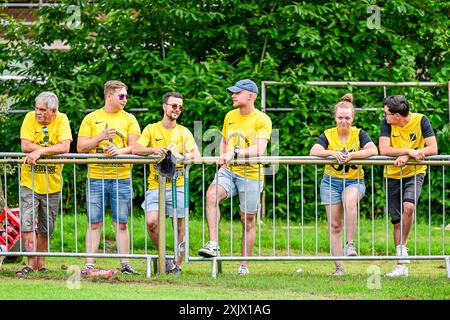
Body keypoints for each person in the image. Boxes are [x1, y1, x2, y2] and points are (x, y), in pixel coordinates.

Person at [198, 79, 272, 275]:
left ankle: (244, 265)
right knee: (211, 195)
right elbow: (224, 140)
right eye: (232, 92)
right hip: (229, 171)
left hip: (252, 174)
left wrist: (235, 153)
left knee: (247, 220)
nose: (232, 95)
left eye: (237, 93)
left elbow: (260, 149)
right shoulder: (230, 115)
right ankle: (213, 244)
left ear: (251, 96)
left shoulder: (262, 119)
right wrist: (223, 157)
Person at [310, 93, 378, 276]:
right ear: (335, 118)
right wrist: (332, 153)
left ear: (353, 118)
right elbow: (314, 151)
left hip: (354, 181)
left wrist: (352, 155)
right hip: (330, 182)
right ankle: (339, 267)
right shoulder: (328, 134)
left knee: (350, 201)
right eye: (340, 118)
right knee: (334, 225)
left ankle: (350, 244)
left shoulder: (359, 133)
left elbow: (373, 150)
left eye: (347, 118)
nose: (344, 121)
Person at [132, 92, 200, 275]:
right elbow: (136, 149)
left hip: (177, 185)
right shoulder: (151, 129)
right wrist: (156, 150)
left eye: (180, 107)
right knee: (151, 222)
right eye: (173, 106)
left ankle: (177, 265)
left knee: (179, 227)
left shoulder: (183, 132)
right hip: (155, 186)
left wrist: (182, 156)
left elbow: (197, 154)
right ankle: (165, 258)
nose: (177, 109)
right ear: (164, 106)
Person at [77, 80, 140, 275]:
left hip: (122, 177)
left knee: (121, 223)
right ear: (109, 96)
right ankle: (89, 265)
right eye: (121, 96)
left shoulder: (130, 119)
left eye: (127, 96)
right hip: (96, 177)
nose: (125, 99)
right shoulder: (91, 118)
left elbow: (135, 147)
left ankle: (125, 264)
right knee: (94, 222)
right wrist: (100, 137)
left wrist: (120, 151)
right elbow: (80, 147)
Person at [379, 95, 438, 277]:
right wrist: (408, 151)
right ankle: (401, 265)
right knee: (396, 221)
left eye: (387, 113)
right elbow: (384, 150)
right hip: (392, 175)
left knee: (409, 206)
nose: (384, 116)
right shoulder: (387, 124)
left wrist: (408, 156)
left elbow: (433, 149)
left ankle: (402, 248)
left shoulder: (421, 120)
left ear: (397, 116)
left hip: (414, 172)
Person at [16, 91, 72, 276]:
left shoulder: (62, 119)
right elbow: (25, 145)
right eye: (36, 108)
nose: (38, 112)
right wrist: (49, 150)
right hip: (29, 182)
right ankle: (30, 263)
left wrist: (39, 152)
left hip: (53, 184)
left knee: (46, 226)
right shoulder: (29, 118)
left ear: (53, 111)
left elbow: (65, 146)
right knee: (27, 223)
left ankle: (41, 263)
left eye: (42, 110)